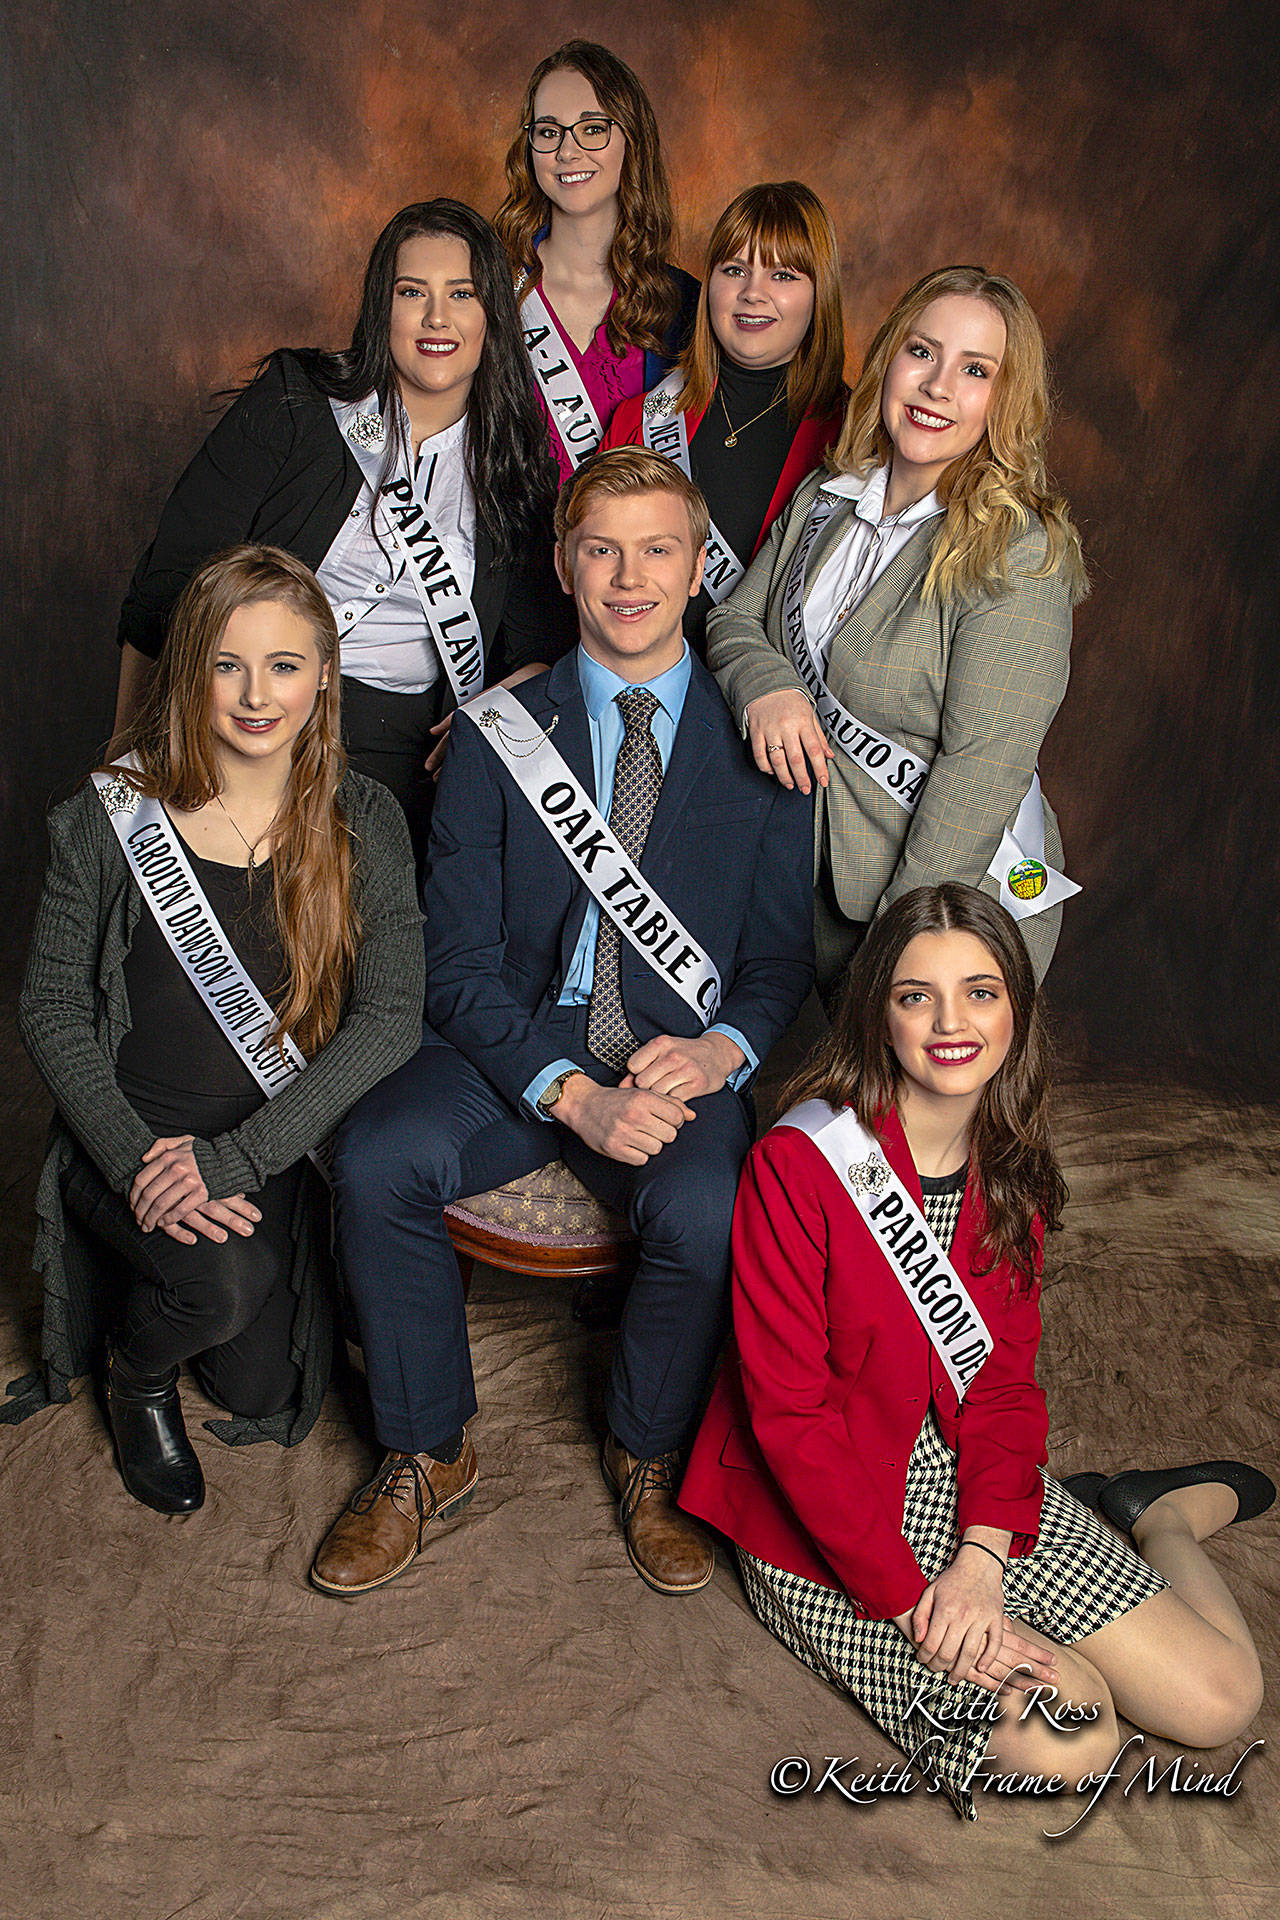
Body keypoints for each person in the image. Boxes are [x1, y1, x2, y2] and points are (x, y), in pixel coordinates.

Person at [310, 447, 814, 1599]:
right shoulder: (499, 733)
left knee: (707, 1207)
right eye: (601, 551)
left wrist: (721, 1050)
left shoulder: (759, 743)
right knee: (377, 1155)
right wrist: (569, 1094)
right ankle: (426, 1449)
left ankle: (646, 1452)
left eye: (655, 550)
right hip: (514, 1046)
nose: (627, 578)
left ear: (697, 568)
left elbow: (779, 960)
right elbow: (456, 963)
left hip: (671, 1059)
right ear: (561, 564)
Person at [680, 885, 1268, 1820]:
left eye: (980, 993)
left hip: (956, 1472)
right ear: (879, 1014)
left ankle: (1156, 1518)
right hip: (824, 1510)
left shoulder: (1008, 1168)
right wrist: (917, 1599)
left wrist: (984, 1560)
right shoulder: (800, 1164)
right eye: (917, 996)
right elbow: (791, 1421)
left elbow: (1000, 1387)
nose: (951, 1024)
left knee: (1222, 1699)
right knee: (1072, 1736)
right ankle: (1048, 1617)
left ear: (1015, 1013)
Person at [13, 547, 424, 1513]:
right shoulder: (110, 813)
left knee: (263, 1389)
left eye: (284, 665)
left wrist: (235, 1161)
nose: (256, 695)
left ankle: (158, 1273)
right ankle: (135, 1374)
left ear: (325, 674)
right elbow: (52, 1008)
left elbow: (391, 1016)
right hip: (129, 1138)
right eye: (226, 665)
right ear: (189, 669)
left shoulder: (364, 818)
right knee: (222, 1288)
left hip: (267, 1143)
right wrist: (136, 1163)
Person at [113, 201, 571, 862]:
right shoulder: (298, 401)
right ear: (381, 308)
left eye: (461, 294)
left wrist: (502, 700)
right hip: (252, 717)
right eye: (411, 292)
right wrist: (126, 768)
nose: (436, 318)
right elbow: (167, 583)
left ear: (492, 316)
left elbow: (543, 645)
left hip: (401, 755)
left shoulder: (514, 468)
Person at [707, 266, 1090, 994]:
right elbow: (733, 619)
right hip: (813, 888)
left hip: (949, 911)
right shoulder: (827, 497)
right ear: (889, 360)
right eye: (922, 352)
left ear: (1005, 400)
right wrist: (767, 685)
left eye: (975, 370)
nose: (937, 386)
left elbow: (979, 777)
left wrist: (895, 961)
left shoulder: (1016, 550)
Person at [602, 181, 847, 657]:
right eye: (735, 270)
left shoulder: (855, 441)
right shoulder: (638, 419)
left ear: (820, 294)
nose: (753, 293)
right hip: (639, 683)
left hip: (767, 693)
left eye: (783, 275)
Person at [495, 40, 699, 482]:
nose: (567, 152)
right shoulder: (490, 286)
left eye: (592, 129)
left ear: (632, 139)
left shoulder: (685, 304)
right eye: (548, 132)